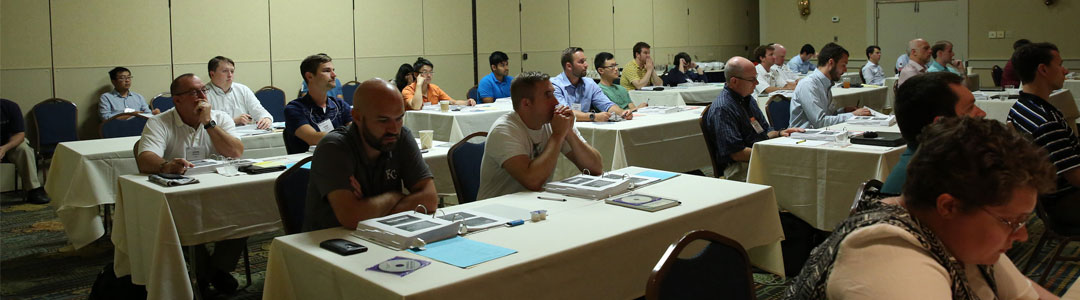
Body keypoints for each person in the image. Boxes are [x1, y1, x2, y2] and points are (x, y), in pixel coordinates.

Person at [787, 117, 1058, 300]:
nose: (1022, 235)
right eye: (1013, 221)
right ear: (948, 206)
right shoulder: (881, 251)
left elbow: (1026, 296)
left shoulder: (965, 238)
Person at [135, 74, 246, 295]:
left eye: (203, 90)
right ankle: (207, 272)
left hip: (218, 192)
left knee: (244, 211)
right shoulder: (159, 122)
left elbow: (235, 153)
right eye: (194, 92)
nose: (202, 95)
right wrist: (166, 165)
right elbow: (145, 158)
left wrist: (208, 123)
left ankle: (216, 269)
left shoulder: (219, 118)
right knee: (182, 219)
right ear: (177, 100)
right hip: (180, 196)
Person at [302, 79, 436, 231]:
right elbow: (352, 218)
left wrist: (368, 209)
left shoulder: (401, 136)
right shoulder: (334, 147)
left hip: (382, 235)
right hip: (330, 242)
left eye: (399, 118)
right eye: (383, 120)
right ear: (357, 117)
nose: (393, 129)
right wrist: (395, 196)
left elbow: (429, 200)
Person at [477, 71, 603, 200]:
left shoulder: (553, 122)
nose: (556, 102)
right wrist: (558, 135)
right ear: (526, 103)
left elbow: (595, 168)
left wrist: (569, 132)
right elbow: (533, 182)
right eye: (548, 96)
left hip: (535, 205)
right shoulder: (504, 130)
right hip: (500, 209)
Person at [1008, 42, 1078, 227]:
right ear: (1043, 70)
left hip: (1051, 198)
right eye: (1060, 64)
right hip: (1066, 203)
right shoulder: (1045, 121)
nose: (1065, 70)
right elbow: (1076, 177)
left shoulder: (1019, 108)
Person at [881, 72, 986, 194]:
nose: (982, 113)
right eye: (970, 108)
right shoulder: (927, 185)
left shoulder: (946, 165)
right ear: (940, 124)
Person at [702, 57, 803, 181]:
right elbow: (736, 153)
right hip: (738, 167)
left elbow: (765, 132)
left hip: (756, 156)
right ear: (734, 81)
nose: (757, 83)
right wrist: (771, 154)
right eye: (752, 79)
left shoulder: (748, 99)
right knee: (792, 171)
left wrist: (780, 133)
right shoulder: (723, 108)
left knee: (797, 163)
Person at [789, 43, 871, 129]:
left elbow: (826, 115)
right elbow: (820, 122)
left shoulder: (825, 83)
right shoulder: (808, 85)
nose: (845, 70)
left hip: (817, 135)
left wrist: (843, 111)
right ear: (831, 62)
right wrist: (853, 115)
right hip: (802, 138)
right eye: (843, 65)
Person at [284, 54, 353, 154]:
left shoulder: (340, 105)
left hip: (341, 161)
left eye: (333, 70)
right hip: (310, 165)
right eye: (327, 71)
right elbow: (313, 138)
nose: (334, 75)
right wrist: (348, 135)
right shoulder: (294, 109)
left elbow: (357, 132)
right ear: (310, 76)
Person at [551, 47, 634, 122]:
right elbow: (565, 112)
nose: (586, 65)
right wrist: (592, 116)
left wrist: (623, 113)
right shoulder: (554, 85)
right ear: (569, 66)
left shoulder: (589, 83)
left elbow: (607, 105)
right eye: (581, 62)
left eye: (585, 60)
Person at [0, 99, 49, 204]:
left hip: (9, 145)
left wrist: (4, 148)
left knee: (24, 149)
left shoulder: (10, 107)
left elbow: (20, 134)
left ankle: (33, 190)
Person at [204, 56, 273, 129]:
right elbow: (204, 124)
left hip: (245, 136)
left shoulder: (243, 89)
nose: (230, 75)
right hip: (217, 137)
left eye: (232, 71)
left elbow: (260, 111)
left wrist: (266, 119)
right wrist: (233, 121)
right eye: (225, 71)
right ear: (212, 74)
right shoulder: (203, 93)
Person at [402, 57, 475, 110]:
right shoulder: (407, 90)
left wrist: (467, 102)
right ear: (415, 74)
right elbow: (416, 106)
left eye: (431, 72)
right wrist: (418, 85)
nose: (429, 75)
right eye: (425, 72)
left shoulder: (434, 88)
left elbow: (453, 102)